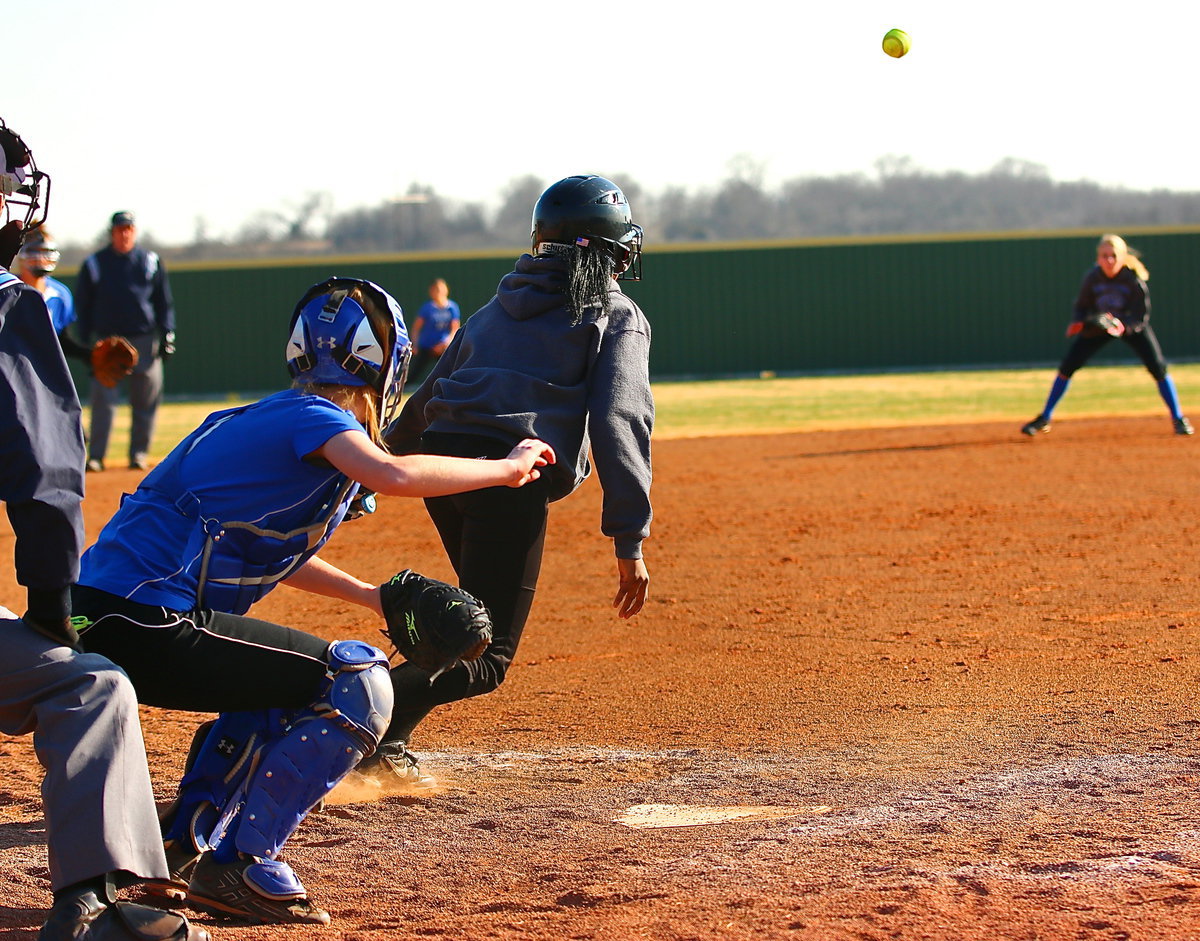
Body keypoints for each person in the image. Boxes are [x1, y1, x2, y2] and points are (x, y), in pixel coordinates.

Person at [70, 275, 554, 925]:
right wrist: (508, 466)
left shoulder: (270, 419)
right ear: (383, 366)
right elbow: (396, 473)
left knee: (280, 684)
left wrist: (369, 596)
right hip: (144, 615)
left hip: (110, 612)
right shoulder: (314, 418)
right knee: (359, 680)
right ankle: (241, 864)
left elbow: (268, 548)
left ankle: (187, 838)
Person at [362, 174, 653, 788]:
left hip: (444, 472)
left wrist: (378, 463)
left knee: (467, 622)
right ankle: (355, 715)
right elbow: (619, 418)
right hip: (505, 475)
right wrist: (629, 538)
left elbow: (432, 396)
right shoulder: (616, 313)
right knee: (487, 654)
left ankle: (383, 739)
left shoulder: (495, 308)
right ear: (610, 250)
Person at [0, 115, 208, 941]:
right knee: (90, 685)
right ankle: (103, 904)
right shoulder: (10, 307)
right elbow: (44, 473)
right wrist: (52, 604)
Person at [1022, 233, 1193, 437]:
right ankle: (1045, 417)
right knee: (1068, 366)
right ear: (1098, 258)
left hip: (1130, 326)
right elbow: (1082, 306)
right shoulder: (1092, 278)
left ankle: (1178, 418)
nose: (1109, 260)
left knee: (1158, 366)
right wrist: (1078, 322)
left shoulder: (1133, 280)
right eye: (1104, 255)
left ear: (1122, 257)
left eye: (1113, 255)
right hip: (1101, 325)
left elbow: (1141, 316)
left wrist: (1123, 326)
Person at [74, 210, 177, 471]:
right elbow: (83, 304)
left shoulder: (150, 261)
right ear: (112, 232)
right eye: (120, 228)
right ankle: (96, 456)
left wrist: (167, 333)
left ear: (135, 231)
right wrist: (86, 343)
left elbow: (163, 303)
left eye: (129, 228)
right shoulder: (95, 264)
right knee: (103, 402)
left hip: (144, 339)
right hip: (108, 342)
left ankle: (138, 455)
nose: (125, 233)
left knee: (146, 401)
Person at [408, 277, 460, 384]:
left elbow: (455, 328)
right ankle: (401, 389)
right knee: (414, 372)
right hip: (427, 346)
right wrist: (415, 344)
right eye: (435, 290)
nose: (438, 293)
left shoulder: (452, 308)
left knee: (451, 370)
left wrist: (446, 343)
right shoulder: (427, 308)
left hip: (442, 347)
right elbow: (416, 328)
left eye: (440, 290)